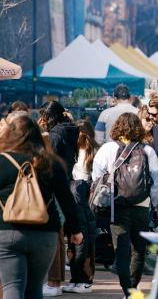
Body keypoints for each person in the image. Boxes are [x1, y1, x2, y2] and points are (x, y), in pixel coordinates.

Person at [0, 115, 83, 299]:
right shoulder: (50, 162)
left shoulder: (2, 161)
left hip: (7, 231)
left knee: (13, 285)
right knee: (35, 287)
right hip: (45, 233)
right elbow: (66, 199)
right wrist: (75, 230)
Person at [92, 113, 158, 298]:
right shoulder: (148, 150)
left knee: (121, 250)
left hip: (116, 206)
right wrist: (152, 204)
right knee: (138, 250)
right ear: (138, 127)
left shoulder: (107, 148)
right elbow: (156, 181)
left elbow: (96, 176)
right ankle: (132, 287)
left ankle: (128, 291)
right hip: (142, 205)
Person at [38, 101, 80, 296]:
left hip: (53, 187)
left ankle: (54, 283)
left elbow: (48, 160)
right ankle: (55, 281)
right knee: (59, 234)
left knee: (55, 234)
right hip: (65, 181)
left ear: (48, 117)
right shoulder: (70, 131)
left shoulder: (55, 135)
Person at [63, 120, 99, 294]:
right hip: (75, 194)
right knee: (74, 236)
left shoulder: (93, 151)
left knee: (83, 237)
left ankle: (84, 279)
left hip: (84, 196)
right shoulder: (74, 150)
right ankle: (76, 278)